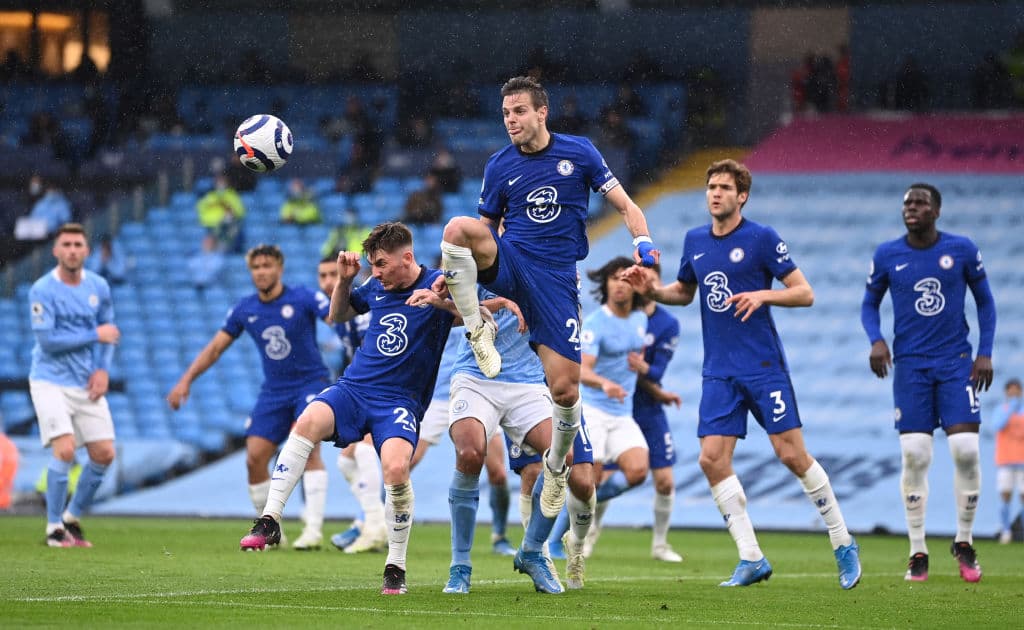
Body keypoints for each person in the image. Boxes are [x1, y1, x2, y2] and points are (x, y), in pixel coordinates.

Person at [438, 75, 660, 535]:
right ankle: (477, 328)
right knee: (457, 229)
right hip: (513, 262)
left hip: (556, 278)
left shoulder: (580, 153)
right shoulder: (499, 165)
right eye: (505, 113)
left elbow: (625, 206)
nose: (511, 120)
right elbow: (485, 228)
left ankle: (557, 465)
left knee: (564, 391)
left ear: (542, 112)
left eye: (519, 111)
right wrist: (463, 274)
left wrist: (642, 242)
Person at [629, 159, 861, 590]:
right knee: (710, 459)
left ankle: (843, 541)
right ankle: (751, 556)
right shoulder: (695, 240)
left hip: (763, 366)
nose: (715, 193)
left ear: (742, 196)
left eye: (724, 187)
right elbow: (684, 292)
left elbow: (805, 293)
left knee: (791, 455)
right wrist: (653, 290)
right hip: (719, 371)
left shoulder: (761, 238)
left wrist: (762, 295)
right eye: (711, 187)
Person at [238, 222, 467, 596]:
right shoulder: (375, 285)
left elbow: (476, 315)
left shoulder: (440, 282)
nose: (375, 272)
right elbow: (339, 315)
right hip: (355, 388)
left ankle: (395, 565)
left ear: (407, 258)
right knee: (307, 421)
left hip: (400, 400)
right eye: (372, 265)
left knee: (396, 469)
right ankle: (269, 519)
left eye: (380, 264)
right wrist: (344, 281)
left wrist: (440, 302)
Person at [420, 284, 595, 594]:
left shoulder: (552, 273)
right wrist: (483, 303)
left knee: (563, 457)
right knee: (470, 454)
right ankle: (460, 566)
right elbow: (453, 312)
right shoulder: (482, 261)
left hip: (527, 383)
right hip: (476, 377)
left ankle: (532, 551)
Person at [862, 181, 996, 582]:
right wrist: (876, 340)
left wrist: (985, 352)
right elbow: (869, 303)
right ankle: (917, 550)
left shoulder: (962, 249)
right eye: (907, 203)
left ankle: (964, 541)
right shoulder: (887, 254)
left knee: (966, 451)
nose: (911, 208)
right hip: (911, 367)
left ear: (936, 211)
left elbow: (985, 301)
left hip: (956, 363)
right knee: (916, 455)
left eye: (920, 203)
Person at [167, 244, 332, 550]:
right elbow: (215, 348)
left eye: (267, 266)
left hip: (311, 383)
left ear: (280, 268)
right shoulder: (245, 309)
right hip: (274, 390)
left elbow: (338, 317)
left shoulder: (304, 297)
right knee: (254, 458)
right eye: (256, 267)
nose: (261, 272)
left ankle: (313, 529)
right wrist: (186, 380)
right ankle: (271, 533)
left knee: (309, 449)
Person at [550, 257, 651, 562]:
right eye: (614, 278)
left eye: (625, 279)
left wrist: (642, 366)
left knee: (638, 471)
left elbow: (633, 360)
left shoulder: (640, 320)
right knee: (587, 480)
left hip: (622, 413)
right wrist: (605, 383)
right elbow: (582, 370)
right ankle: (555, 540)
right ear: (605, 284)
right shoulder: (596, 324)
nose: (619, 284)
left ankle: (586, 505)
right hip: (593, 411)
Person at [28, 223, 120, 547]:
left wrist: (102, 370)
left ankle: (71, 518)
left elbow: (110, 331)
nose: (71, 250)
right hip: (49, 380)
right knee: (65, 449)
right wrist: (95, 335)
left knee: (104, 453)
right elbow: (48, 341)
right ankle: (54, 527)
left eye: (77, 244)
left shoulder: (98, 286)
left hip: (84, 381)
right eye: (66, 244)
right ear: (56, 251)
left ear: (86, 251)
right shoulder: (42, 289)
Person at [409, 325, 517, 557]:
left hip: (479, 393)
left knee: (498, 473)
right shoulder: (443, 308)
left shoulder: (487, 308)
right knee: (403, 464)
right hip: (438, 395)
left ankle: (500, 536)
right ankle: (372, 523)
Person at [314, 257, 387, 555]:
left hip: (384, 390)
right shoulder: (340, 315)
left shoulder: (360, 312)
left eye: (334, 274)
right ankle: (373, 521)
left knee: (365, 452)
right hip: (365, 390)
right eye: (322, 276)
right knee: (347, 460)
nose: (328, 281)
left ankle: (374, 526)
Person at [630, 263, 684, 561]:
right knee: (598, 479)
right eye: (640, 278)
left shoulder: (667, 324)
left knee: (664, 480)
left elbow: (656, 371)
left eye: (651, 279)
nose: (645, 284)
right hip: (616, 406)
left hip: (648, 408)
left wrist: (643, 369)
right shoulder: (619, 315)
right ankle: (587, 538)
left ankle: (660, 545)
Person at [993, 378, 1024, 544]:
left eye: (1017, 390)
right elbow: (998, 425)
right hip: (1005, 460)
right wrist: (1010, 410)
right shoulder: (1001, 409)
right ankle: (1005, 530)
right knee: (1005, 495)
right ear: (1006, 392)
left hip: (1022, 460)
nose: (1014, 393)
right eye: (1011, 390)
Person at [196, 173, 246, 253]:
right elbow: (200, 208)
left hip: (226, 225)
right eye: (219, 182)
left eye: (223, 182)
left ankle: (228, 249)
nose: (221, 184)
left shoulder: (231, 195)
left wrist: (228, 209)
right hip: (210, 225)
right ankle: (210, 251)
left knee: (232, 230)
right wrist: (216, 205)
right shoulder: (210, 195)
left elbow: (240, 211)